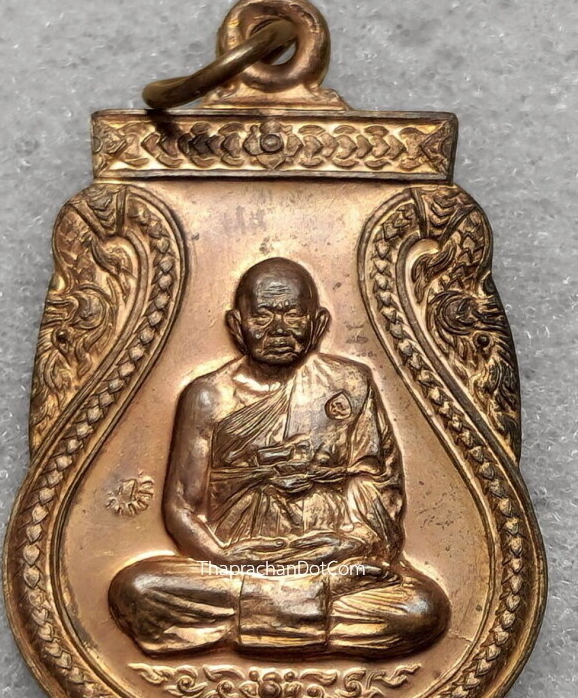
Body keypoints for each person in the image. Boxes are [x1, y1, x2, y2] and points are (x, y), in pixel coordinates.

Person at [109, 257, 449, 657]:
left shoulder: (350, 384)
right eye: (263, 315)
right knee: (137, 589)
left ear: (318, 323)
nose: (278, 329)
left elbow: (377, 484)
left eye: (292, 314)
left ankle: (248, 621)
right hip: (235, 567)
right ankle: (305, 614)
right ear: (236, 324)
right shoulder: (208, 396)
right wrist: (222, 556)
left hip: (331, 563)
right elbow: (182, 506)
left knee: (421, 610)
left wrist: (347, 545)